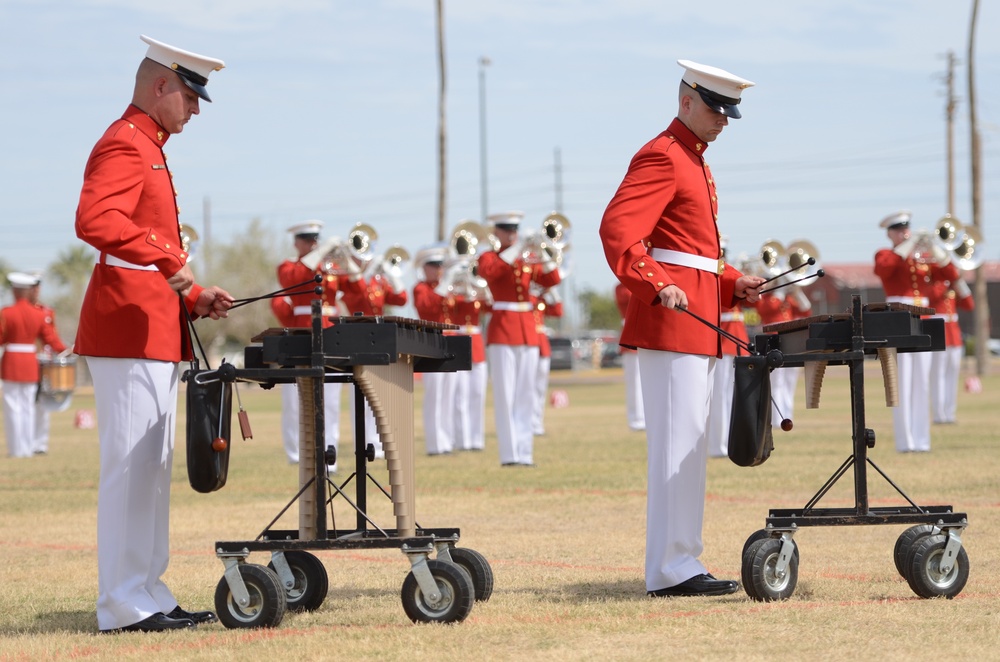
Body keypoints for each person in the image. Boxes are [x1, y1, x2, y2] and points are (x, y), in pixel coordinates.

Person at [74, 34, 234, 633]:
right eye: (191, 96)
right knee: (129, 468)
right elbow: (94, 220)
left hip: (152, 324)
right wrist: (172, 262)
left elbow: (146, 253)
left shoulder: (152, 148)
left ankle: (148, 592)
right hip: (127, 329)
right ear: (161, 84)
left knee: (151, 467)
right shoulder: (126, 141)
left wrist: (192, 295)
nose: (194, 109)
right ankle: (121, 603)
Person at [599, 59, 763, 598]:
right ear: (686, 101)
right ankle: (671, 570)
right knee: (677, 449)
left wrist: (732, 282)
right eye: (715, 109)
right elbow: (620, 230)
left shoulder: (694, 161)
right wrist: (653, 282)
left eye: (728, 113)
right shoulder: (663, 155)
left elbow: (694, 256)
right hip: (671, 325)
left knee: (691, 447)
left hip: (697, 323)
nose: (723, 121)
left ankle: (682, 562)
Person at [478, 211, 561, 467]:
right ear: (496, 232)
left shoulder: (526, 258)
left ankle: (525, 453)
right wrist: (520, 249)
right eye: (506, 229)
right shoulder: (489, 256)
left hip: (527, 329)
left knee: (525, 394)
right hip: (503, 328)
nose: (512, 233)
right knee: (505, 395)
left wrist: (545, 254)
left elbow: (551, 279)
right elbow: (491, 273)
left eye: (514, 229)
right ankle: (509, 454)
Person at [873, 211, 960, 452]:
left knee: (922, 380)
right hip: (897, 316)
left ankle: (921, 441)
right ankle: (905, 441)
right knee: (902, 380)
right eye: (899, 230)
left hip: (922, 315)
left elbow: (952, 274)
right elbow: (884, 270)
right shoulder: (886, 254)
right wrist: (908, 243)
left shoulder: (922, 258)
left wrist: (935, 247)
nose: (904, 233)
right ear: (890, 233)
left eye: (906, 229)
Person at [275, 221, 343, 467]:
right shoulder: (289, 265)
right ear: (296, 242)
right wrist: (322, 250)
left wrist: (349, 259)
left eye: (315, 239)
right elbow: (297, 276)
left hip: (331, 331)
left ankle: (329, 456)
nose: (312, 243)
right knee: (295, 398)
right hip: (302, 330)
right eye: (307, 239)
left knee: (332, 398)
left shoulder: (329, 268)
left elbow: (356, 286)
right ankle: (297, 454)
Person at [339, 242, 409, 458]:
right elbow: (355, 295)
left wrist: (390, 273)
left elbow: (401, 298)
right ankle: (364, 441)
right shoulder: (349, 280)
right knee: (360, 389)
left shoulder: (378, 282)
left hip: (379, 337)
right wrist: (366, 272)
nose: (364, 259)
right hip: (358, 334)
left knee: (379, 390)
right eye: (359, 257)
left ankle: (378, 443)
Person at [2, 272, 66, 458]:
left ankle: (16, 450)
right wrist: (67, 349)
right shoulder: (39, 314)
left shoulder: (6, 313)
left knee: (12, 407)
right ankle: (28, 448)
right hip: (30, 362)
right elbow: (51, 339)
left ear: (15, 291)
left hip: (11, 362)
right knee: (28, 407)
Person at [412, 243, 453, 455]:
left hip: (449, 341)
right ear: (424, 267)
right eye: (433, 265)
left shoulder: (446, 286)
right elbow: (426, 307)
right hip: (430, 342)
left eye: (440, 265)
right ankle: (434, 443)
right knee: (434, 395)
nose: (438, 269)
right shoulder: (421, 288)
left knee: (448, 395)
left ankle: (446, 441)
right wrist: (446, 285)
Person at [753, 284, 811, 430]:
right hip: (772, 342)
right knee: (776, 382)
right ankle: (776, 418)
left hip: (790, 342)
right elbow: (766, 310)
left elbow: (806, 311)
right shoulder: (765, 297)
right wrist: (778, 292)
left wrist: (798, 293)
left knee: (790, 382)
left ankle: (787, 415)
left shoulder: (787, 298)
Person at [30, 275, 70, 455]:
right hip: (27, 360)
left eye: (37, 286)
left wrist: (64, 350)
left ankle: (40, 444)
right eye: (32, 287)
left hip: (43, 361)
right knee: (26, 403)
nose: (36, 290)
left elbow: (52, 337)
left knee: (43, 403)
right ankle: (27, 442)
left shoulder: (46, 311)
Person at [928, 273, 974, 424]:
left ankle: (950, 413)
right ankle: (938, 414)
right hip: (939, 331)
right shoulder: (932, 280)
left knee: (952, 375)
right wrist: (947, 281)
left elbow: (969, 304)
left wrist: (959, 283)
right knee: (938, 375)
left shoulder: (952, 284)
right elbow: (933, 296)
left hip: (954, 335)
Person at [531, 286, 563, 436]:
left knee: (540, 387)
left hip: (541, 342)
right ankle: (528, 422)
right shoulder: (526, 296)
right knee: (527, 386)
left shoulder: (540, 299)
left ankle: (537, 422)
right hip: (528, 341)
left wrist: (552, 291)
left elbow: (557, 311)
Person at [614, 282, 646, 432]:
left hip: (647, 335)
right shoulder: (621, 287)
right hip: (631, 335)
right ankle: (636, 419)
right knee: (634, 382)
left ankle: (644, 417)